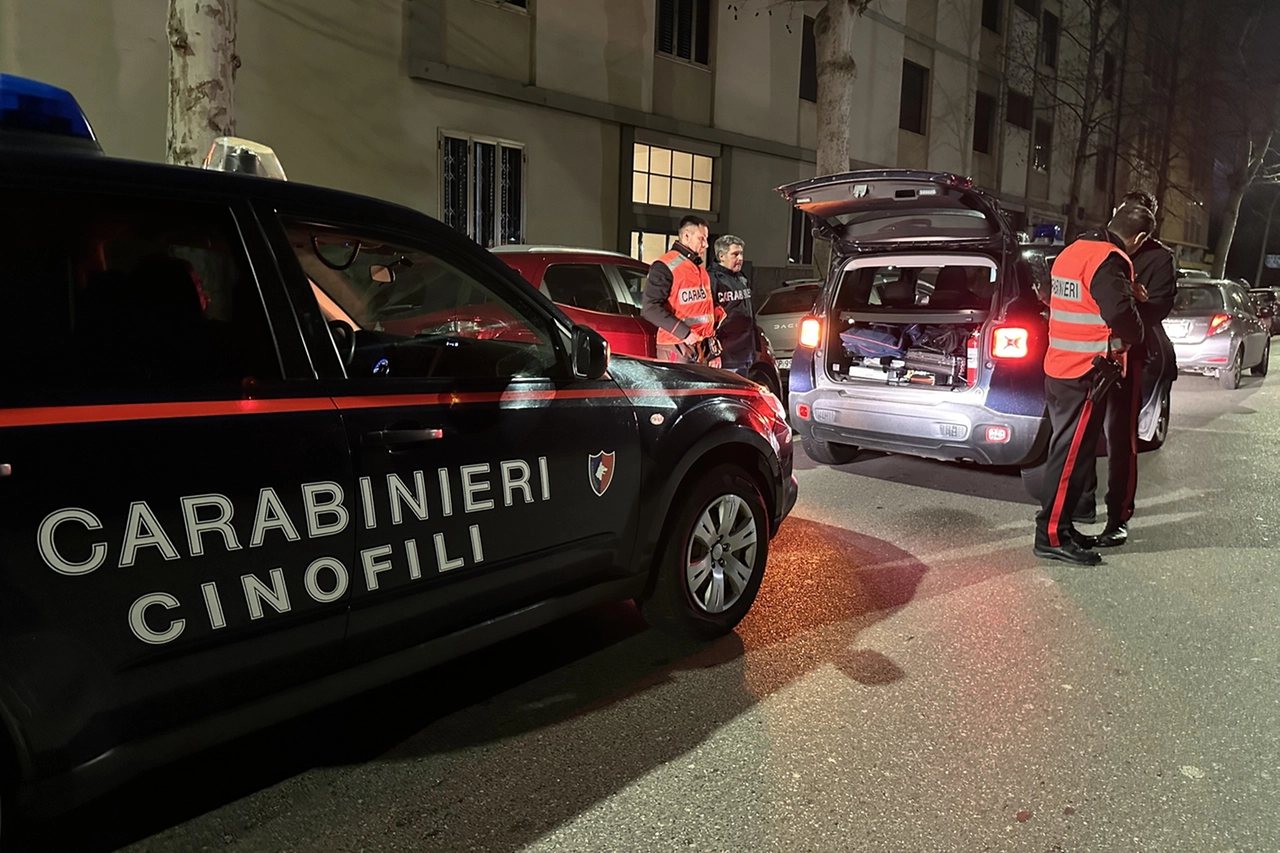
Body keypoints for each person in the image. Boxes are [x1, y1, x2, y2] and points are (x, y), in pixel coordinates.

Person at [1034, 204, 1152, 566]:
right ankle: (1050, 535)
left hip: (1060, 367)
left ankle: (1063, 528)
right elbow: (1118, 313)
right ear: (1141, 238)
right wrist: (1138, 331)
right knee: (1068, 458)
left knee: (1074, 454)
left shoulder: (1074, 251)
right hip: (1085, 371)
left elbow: (1065, 297)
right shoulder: (1111, 259)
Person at [1074, 191, 1179, 547]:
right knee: (1081, 434)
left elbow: (1159, 307)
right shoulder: (1092, 244)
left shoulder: (1160, 258)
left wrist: (1125, 310)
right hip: (1085, 354)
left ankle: (1118, 517)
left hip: (1127, 356)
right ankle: (1080, 504)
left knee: (1120, 439)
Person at [641, 215, 722, 365]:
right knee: (677, 390)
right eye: (701, 239)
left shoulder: (699, 269)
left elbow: (705, 313)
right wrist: (684, 332)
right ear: (686, 236)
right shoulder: (664, 266)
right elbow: (650, 308)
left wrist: (713, 351)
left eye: (706, 239)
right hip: (676, 347)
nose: (706, 244)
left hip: (698, 348)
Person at [707, 234, 755, 377]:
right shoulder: (711, 279)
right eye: (735, 254)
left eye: (741, 254)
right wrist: (712, 353)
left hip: (744, 353)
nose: (740, 258)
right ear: (721, 256)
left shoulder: (742, 278)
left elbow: (749, 313)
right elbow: (707, 318)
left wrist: (755, 348)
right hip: (725, 355)